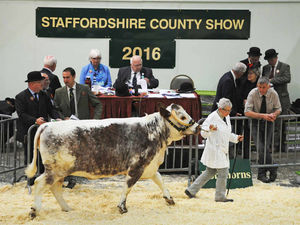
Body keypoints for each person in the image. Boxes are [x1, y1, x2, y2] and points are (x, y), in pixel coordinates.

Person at [185, 98, 243, 202]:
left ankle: (191, 190)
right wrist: (210, 130)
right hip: (215, 149)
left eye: (230, 110)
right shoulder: (212, 117)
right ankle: (220, 196)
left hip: (221, 149)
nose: (229, 112)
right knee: (223, 172)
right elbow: (203, 134)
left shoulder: (227, 117)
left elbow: (226, 133)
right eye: (227, 110)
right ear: (220, 109)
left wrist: (236, 138)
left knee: (209, 172)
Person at [15, 71, 60, 184]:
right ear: (33, 83)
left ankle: (42, 179)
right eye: (41, 82)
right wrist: (35, 120)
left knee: (43, 156)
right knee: (30, 156)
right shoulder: (21, 97)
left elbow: (51, 109)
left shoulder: (43, 95)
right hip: (28, 132)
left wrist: (57, 118)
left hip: (42, 133)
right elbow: (21, 114)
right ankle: (30, 180)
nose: (43, 84)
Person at [245, 76, 281, 183]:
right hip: (255, 122)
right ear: (257, 86)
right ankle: (273, 167)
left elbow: (279, 108)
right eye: (259, 87)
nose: (261, 89)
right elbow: (247, 112)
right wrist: (263, 115)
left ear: (268, 86)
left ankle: (261, 174)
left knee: (265, 147)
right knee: (260, 147)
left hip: (269, 122)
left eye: (264, 87)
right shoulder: (252, 93)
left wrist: (275, 114)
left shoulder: (273, 93)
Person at [262, 49, 291, 151]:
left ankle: (276, 145)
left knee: (279, 124)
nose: (269, 62)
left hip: (281, 100)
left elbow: (287, 78)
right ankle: (269, 145)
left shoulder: (285, 66)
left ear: (275, 58)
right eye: (268, 60)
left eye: (270, 60)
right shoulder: (265, 68)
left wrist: (272, 81)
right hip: (269, 100)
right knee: (270, 123)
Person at [240, 64, 261, 158]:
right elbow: (241, 95)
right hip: (247, 112)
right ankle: (246, 156)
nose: (249, 75)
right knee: (246, 135)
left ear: (256, 74)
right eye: (248, 73)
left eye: (251, 73)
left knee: (259, 136)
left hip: (258, 113)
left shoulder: (260, 83)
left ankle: (261, 156)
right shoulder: (244, 83)